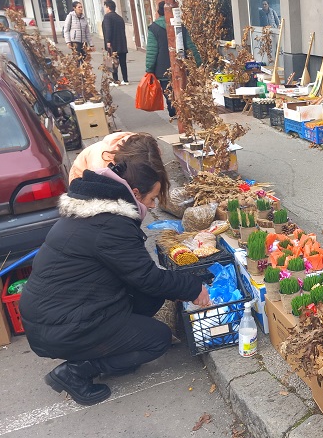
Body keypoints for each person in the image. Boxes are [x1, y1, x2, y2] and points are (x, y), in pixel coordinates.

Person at [19, 136, 211, 406]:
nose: (154, 205)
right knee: (158, 339)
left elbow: (140, 277)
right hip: (61, 326)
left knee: (150, 297)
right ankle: (76, 371)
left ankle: (105, 347)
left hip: (57, 313)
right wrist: (193, 288)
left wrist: (176, 287)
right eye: (153, 198)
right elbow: (145, 275)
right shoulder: (110, 226)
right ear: (134, 193)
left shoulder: (92, 208)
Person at [145, 1, 201, 118]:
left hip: (162, 68)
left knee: (168, 90)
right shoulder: (180, 26)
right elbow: (190, 46)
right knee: (182, 87)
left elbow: (152, 51)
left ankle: (173, 111)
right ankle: (182, 110)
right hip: (181, 65)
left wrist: (149, 69)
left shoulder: (154, 28)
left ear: (158, 12)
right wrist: (198, 61)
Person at [102, 0, 129, 85]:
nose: (105, 9)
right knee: (123, 63)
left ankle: (115, 80)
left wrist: (108, 41)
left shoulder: (107, 17)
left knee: (112, 62)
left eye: (105, 7)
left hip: (113, 44)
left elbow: (108, 30)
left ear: (108, 7)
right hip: (122, 43)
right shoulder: (119, 17)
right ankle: (125, 80)